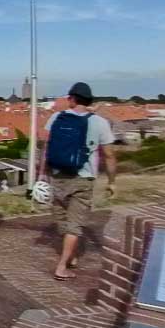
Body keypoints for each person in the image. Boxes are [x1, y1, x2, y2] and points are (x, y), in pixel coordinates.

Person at [34, 82, 117, 281]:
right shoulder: (99, 122)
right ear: (90, 101)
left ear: (71, 99)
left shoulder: (57, 117)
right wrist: (112, 181)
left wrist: (42, 174)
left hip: (58, 175)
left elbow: (46, 147)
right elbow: (109, 154)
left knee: (63, 219)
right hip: (83, 178)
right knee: (75, 224)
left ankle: (70, 257)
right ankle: (63, 266)